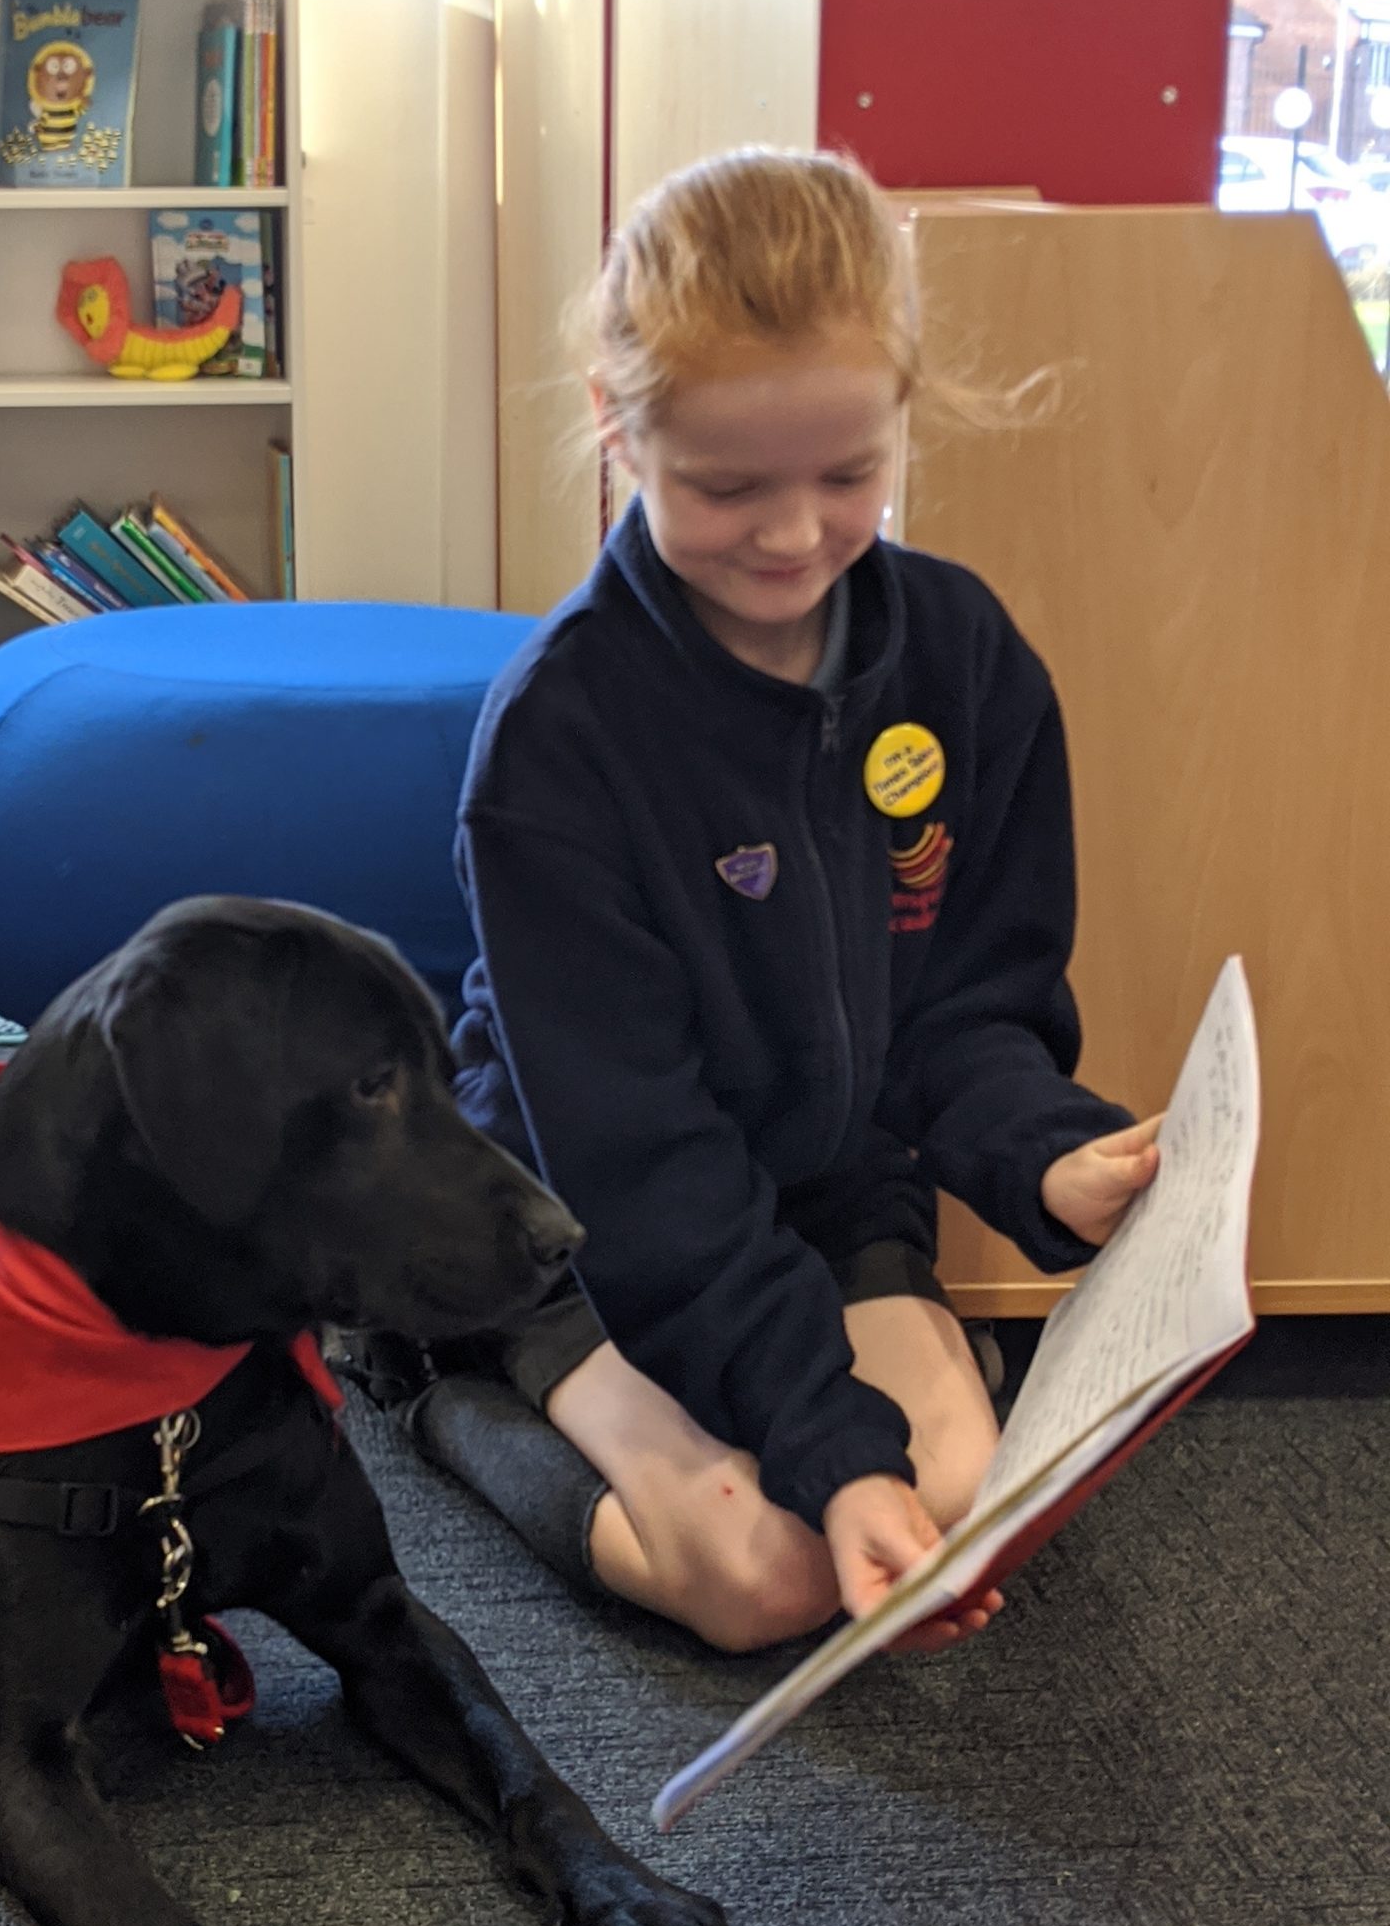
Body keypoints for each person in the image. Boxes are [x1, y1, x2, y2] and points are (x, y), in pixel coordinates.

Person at [386, 147, 1161, 1658]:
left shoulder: (966, 657)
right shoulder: (561, 737)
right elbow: (641, 1160)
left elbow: (975, 1005)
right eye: (728, 486)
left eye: (850, 476)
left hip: (829, 1172)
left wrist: (1048, 1158)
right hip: (579, 1205)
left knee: (953, 1503)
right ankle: (441, 1372)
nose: (795, 536)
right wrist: (825, 1441)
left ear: (902, 420)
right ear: (620, 432)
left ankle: (822, 1410)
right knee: (764, 1578)